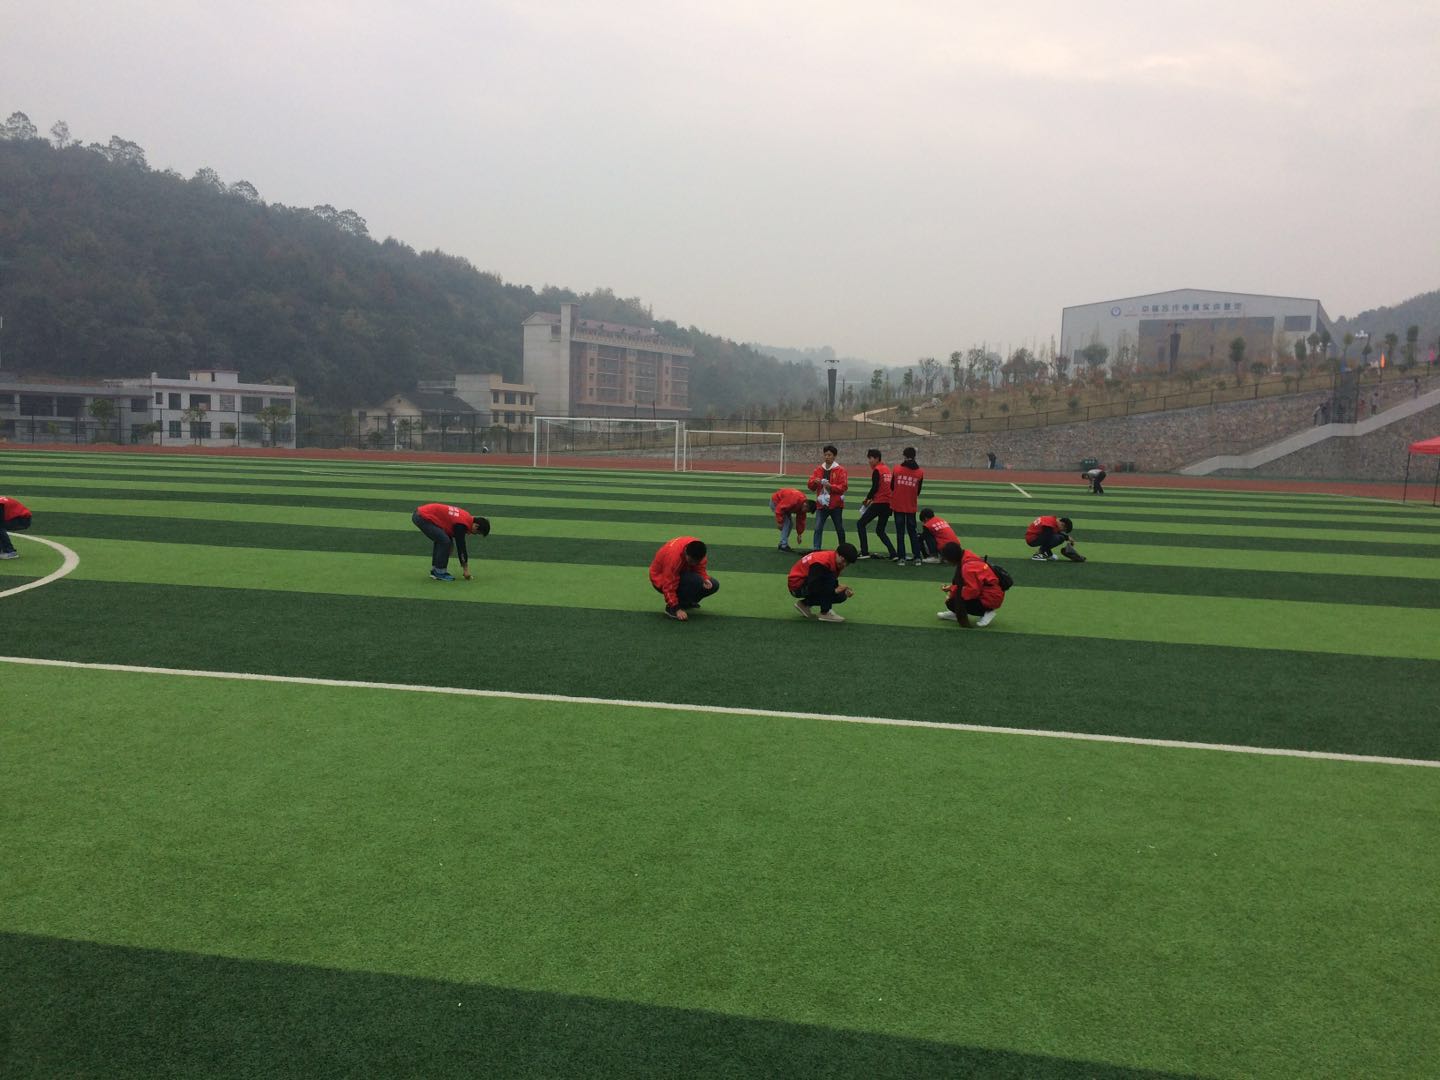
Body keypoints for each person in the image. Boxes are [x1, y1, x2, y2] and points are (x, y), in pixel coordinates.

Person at [413, 502, 490, 581]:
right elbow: (461, 547)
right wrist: (465, 570)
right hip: (422, 517)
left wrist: (451, 544)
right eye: (477, 533)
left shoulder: (466, 517)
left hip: (421, 513)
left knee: (443, 540)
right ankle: (440, 572)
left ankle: (435, 570)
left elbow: (448, 525)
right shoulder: (462, 524)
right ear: (476, 526)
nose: (474, 534)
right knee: (444, 542)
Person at [649, 536, 720, 621]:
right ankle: (671, 608)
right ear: (685, 552)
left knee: (714, 585)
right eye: (691, 561)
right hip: (661, 578)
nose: (694, 564)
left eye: (696, 562)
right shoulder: (674, 558)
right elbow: (668, 585)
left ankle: (686, 603)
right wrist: (675, 608)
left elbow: (700, 568)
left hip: (682, 573)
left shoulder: (698, 550)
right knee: (695, 581)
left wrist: (705, 578)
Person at [937, 542, 1004, 627]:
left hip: (990, 598)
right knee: (955, 598)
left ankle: (987, 612)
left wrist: (953, 590)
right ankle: (956, 612)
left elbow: (972, 591)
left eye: (947, 559)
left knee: (952, 602)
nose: (947, 561)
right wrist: (952, 589)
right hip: (992, 593)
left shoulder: (967, 567)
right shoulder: (967, 555)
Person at [788, 542, 857, 623]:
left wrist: (842, 589)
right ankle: (825, 612)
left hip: (805, 582)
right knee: (834, 589)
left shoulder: (831, 557)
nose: (844, 565)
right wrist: (834, 591)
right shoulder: (821, 563)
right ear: (838, 554)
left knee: (841, 594)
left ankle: (805, 604)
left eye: (847, 563)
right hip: (797, 587)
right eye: (843, 561)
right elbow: (814, 586)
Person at [854, 449, 896, 560]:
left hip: (879, 503)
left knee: (860, 524)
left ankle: (864, 552)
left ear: (877, 458)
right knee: (880, 530)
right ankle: (893, 553)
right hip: (888, 504)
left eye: (870, 458)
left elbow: (875, 487)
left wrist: (867, 499)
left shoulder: (877, 470)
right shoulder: (887, 469)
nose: (869, 461)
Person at [807, 445, 849, 549]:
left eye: (829, 455)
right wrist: (814, 482)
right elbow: (810, 486)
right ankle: (816, 549)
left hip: (836, 505)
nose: (827, 457)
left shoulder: (840, 470)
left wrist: (831, 486)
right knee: (818, 528)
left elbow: (843, 487)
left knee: (839, 528)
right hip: (821, 505)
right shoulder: (818, 469)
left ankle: (842, 549)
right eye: (825, 455)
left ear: (834, 456)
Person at [888, 446, 924, 565]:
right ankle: (917, 557)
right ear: (914, 456)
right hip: (911, 506)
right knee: (912, 532)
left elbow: (892, 486)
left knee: (900, 533)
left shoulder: (897, 469)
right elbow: (918, 491)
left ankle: (901, 558)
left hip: (898, 505)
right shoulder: (920, 472)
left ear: (904, 456)